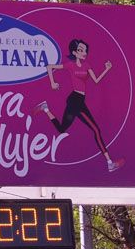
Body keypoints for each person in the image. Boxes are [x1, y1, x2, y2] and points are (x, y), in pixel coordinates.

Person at [37, 38, 124, 173]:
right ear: (74, 52)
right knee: (96, 130)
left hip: (79, 100)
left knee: (61, 129)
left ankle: (45, 108)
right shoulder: (70, 65)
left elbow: (96, 80)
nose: (84, 53)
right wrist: (52, 83)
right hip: (75, 100)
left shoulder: (87, 65)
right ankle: (109, 163)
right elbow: (49, 67)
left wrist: (107, 69)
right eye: (80, 50)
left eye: (85, 50)